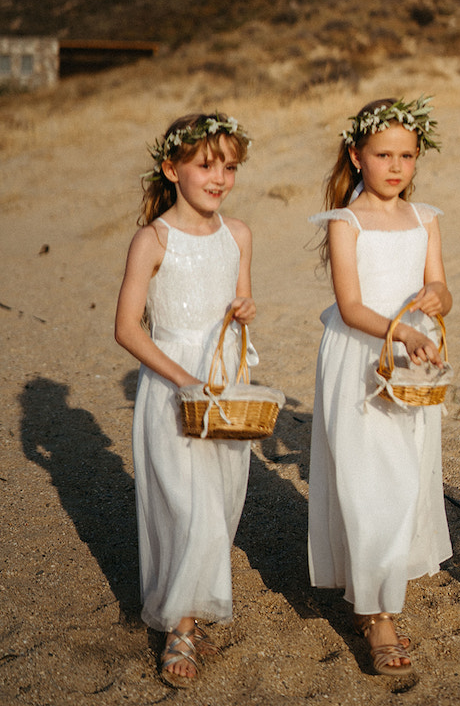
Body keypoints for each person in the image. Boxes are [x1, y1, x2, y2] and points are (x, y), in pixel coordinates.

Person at [307, 96, 453, 675]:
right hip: (363, 355)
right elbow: (349, 305)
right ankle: (376, 616)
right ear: (356, 155)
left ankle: (383, 584)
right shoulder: (346, 221)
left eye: (407, 155)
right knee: (369, 479)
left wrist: (439, 300)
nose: (396, 166)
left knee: (406, 474)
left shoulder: (426, 218)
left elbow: (439, 285)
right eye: (383, 154)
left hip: (414, 358)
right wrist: (399, 335)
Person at [115, 112, 256, 689]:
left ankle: (189, 607)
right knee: (184, 504)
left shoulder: (239, 234)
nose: (218, 177)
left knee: (219, 503)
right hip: (174, 389)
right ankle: (181, 627)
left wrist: (245, 310)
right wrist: (181, 379)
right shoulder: (153, 239)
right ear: (172, 169)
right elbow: (127, 328)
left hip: (225, 386)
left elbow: (240, 302)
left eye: (228, 166)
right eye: (205, 165)